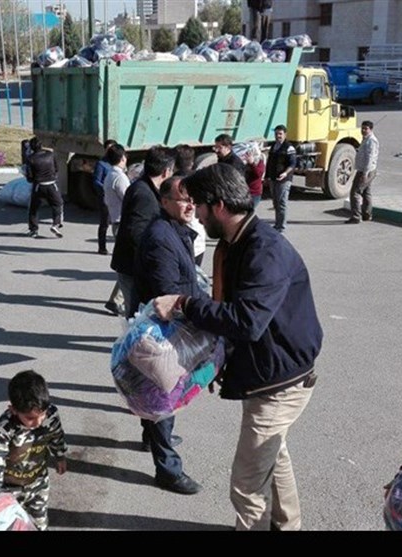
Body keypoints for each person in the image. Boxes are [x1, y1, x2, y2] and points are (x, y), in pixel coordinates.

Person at [153, 164, 323, 530]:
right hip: (270, 371)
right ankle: (287, 526)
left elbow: (246, 321)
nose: (195, 214)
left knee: (246, 485)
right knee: (273, 457)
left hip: (280, 382)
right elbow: (237, 316)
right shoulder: (237, 243)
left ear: (218, 206)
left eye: (198, 205)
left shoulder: (264, 250)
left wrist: (184, 304)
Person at [133, 176, 204, 496]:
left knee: (155, 394)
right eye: (182, 199)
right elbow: (166, 295)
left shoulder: (174, 229)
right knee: (165, 397)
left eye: (193, 199)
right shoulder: (162, 237)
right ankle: (168, 469)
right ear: (164, 202)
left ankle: (152, 436)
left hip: (163, 329)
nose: (190, 204)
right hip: (162, 332)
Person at [0, 370, 68, 531]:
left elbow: (57, 435)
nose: (37, 422)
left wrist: (60, 455)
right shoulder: (3, 429)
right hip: (8, 489)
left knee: (40, 523)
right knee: (10, 524)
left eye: (41, 415)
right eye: (30, 418)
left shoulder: (51, 415)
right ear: (13, 409)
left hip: (38, 483)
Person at [110, 147, 175, 318]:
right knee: (137, 317)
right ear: (167, 171)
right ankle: (131, 345)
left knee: (138, 315)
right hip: (133, 267)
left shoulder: (143, 186)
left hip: (132, 264)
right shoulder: (144, 194)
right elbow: (136, 232)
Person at [102, 143, 130, 315]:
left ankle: (118, 299)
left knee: (127, 264)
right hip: (123, 222)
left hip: (116, 220)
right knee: (128, 265)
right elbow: (130, 199)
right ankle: (116, 300)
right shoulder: (119, 177)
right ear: (123, 158)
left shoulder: (109, 175)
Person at [173, 144, 207, 266]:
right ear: (192, 162)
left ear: (174, 164)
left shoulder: (171, 184)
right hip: (198, 238)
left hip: (178, 240)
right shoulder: (201, 181)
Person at [25, 137, 64, 238]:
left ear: (32, 147)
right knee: (58, 204)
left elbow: (29, 177)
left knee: (34, 209)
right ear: (41, 145)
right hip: (52, 184)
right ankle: (55, 224)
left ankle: (33, 230)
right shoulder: (50, 154)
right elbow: (56, 168)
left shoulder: (30, 158)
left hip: (39, 186)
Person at [264, 124, 296, 233]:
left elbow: (292, 164)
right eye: (276, 134)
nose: (278, 136)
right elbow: (269, 162)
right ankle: (277, 224)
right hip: (273, 178)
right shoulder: (274, 146)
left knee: (282, 202)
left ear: (285, 134)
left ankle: (281, 226)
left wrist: (285, 173)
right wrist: (267, 176)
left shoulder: (289, 147)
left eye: (280, 134)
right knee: (276, 202)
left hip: (284, 180)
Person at [347, 120, 379, 224]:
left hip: (366, 171)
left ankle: (356, 217)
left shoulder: (371, 141)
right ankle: (367, 215)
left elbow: (370, 158)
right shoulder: (366, 139)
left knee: (355, 192)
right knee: (366, 193)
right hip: (365, 170)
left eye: (366, 129)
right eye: (362, 128)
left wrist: (365, 174)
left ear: (371, 129)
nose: (363, 131)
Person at [93, 140, 117, 254]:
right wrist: (107, 189)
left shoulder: (118, 163)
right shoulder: (101, 164)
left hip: (117, 198)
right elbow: (97, 181)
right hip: (106, 198)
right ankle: (102, 247)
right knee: (105, 223)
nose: (110, 150)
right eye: (108, 148)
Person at [243, 142, 265, 208]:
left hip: (255, 193)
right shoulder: (246, 163)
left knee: (250, 212)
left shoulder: (260, 162)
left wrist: (252, 163)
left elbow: (258, 174)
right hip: (245, 192)